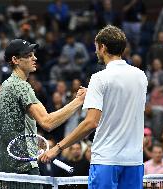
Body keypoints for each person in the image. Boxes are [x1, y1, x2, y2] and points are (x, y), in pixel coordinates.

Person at [40, 25, 148, 189]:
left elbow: (91, 123)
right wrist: (93, 94)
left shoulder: (99, 78)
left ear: (103, 47)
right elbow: (122, 98)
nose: (96, 51)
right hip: (134, 161)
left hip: (106, 161)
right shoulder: (141, 76)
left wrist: (58, 148)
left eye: (96, 47)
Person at [0, 38, 86, 175]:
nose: (34, 58)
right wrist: (78, 101)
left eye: (33, 54)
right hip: (24, 169)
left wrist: (19, 147)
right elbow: (47, 123)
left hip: (6, 165)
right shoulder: (21, 86)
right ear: (15, 60)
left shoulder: (5, 86)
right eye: (29, 56)